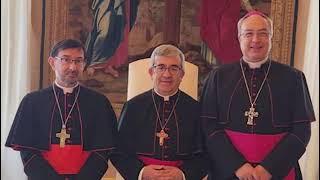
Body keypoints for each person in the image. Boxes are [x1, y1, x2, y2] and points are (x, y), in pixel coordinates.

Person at [201, 11, 315, 180]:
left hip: (278, 172)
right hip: (227, 171)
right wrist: (237, 166)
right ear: (239, 38)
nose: (255, 40)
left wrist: (269, 168)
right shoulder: (218, 77)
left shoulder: (293, 78)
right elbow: (208, 126)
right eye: (248, 34)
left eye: (263, 33)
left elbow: (301, 131)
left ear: (271, 38)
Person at [5, 39, 118, 180]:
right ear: (52, 62)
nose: (73, 67)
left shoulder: (99, 103)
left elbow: (102, 153)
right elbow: (28, 152)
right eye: (66, 60)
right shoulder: (32, 102)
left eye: (78, 61)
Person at [111, 44, 207, 180]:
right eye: (161, 67)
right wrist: (142, 172)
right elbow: (118, 152)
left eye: (174, 68)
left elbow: (205, 154)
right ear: (151, 72)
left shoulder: (195, 109)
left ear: (182, 74)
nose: (167, 74)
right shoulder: (133, 107)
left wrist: (182, 174)